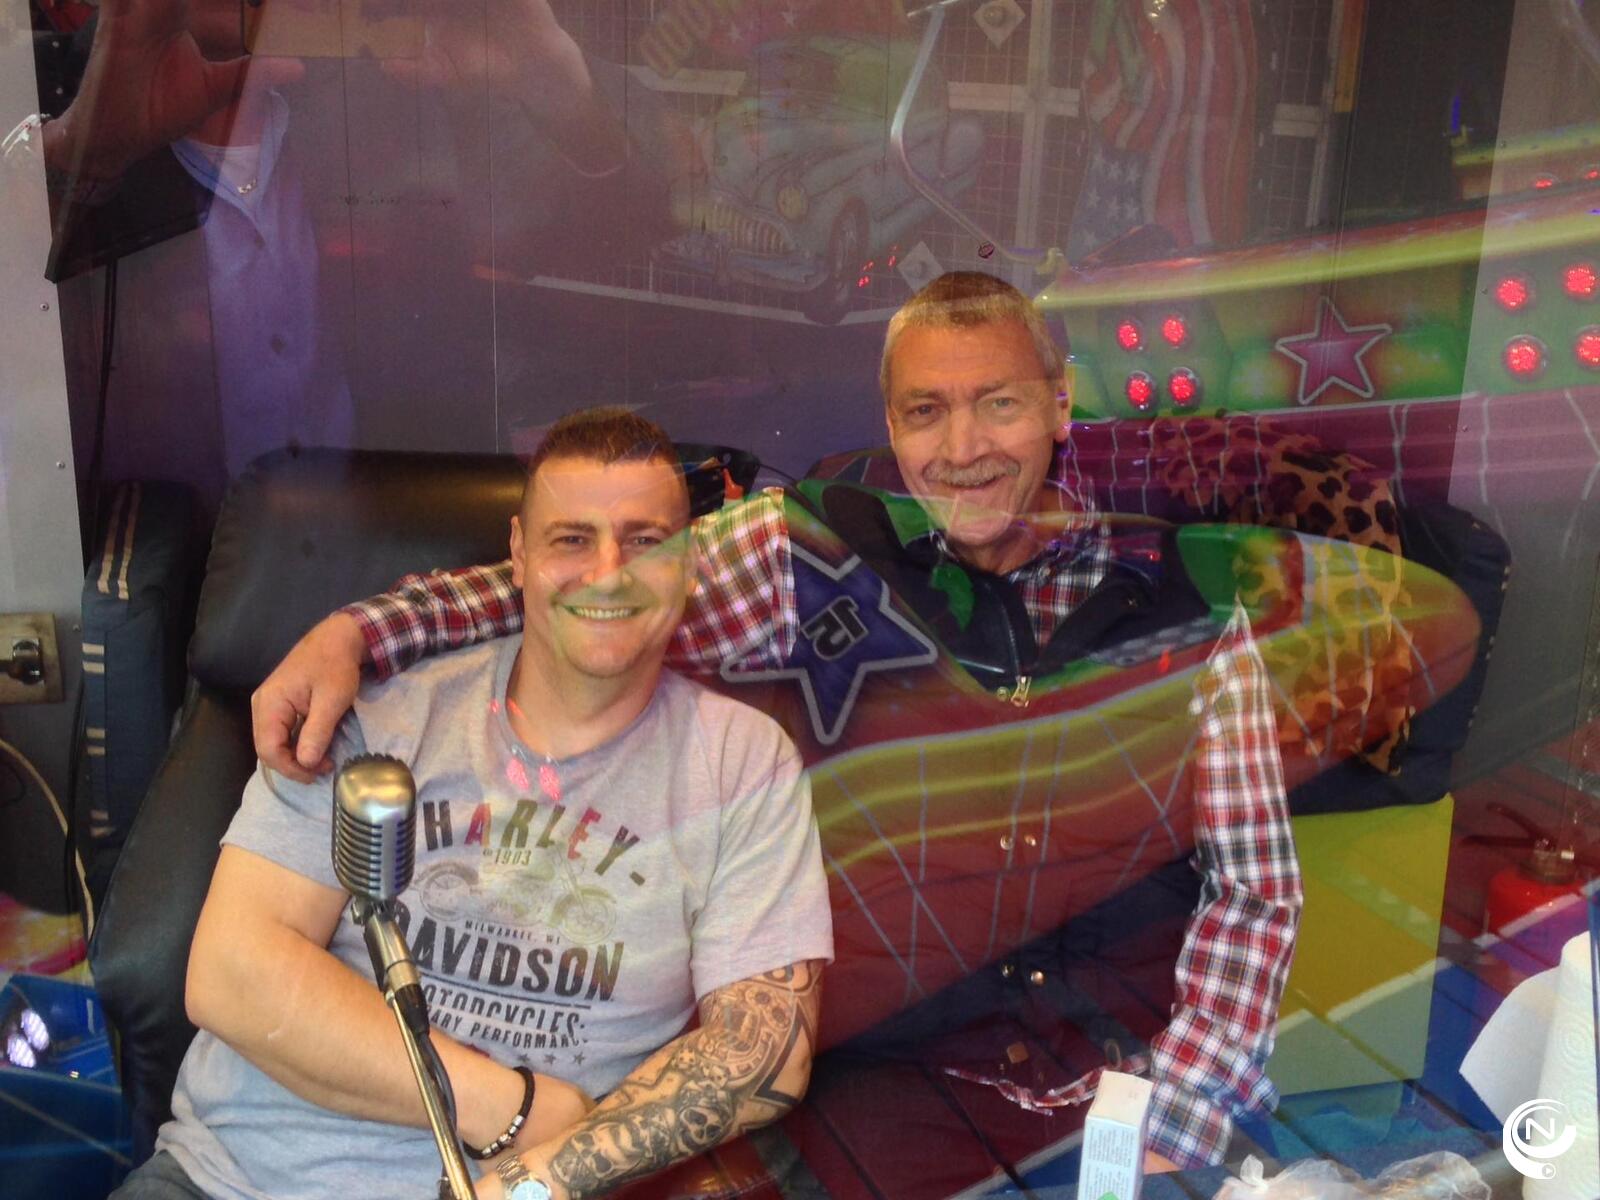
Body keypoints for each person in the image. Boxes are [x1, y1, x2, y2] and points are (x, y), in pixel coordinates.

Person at [253, 271, 1303, 1172]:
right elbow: (599, 590)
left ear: (1060, 403)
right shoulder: (812, 554)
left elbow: (1252, 894)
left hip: (1114, 1096)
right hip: (880, 1092)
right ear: (890, 421)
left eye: (999, 405)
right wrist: (361, 633)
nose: (963, 447)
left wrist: (1177, 1121)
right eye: (925, 412)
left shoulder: (1190, 610)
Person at [112, 408, 833, 1200]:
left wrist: (528, 1184)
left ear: (689, 560)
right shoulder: (381, 713)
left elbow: (761, 1053)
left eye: (645, 540)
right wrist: (506, 1106)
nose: (608, 572)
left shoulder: (741, 764)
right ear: (518, 555)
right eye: (572, 540)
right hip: (232, 1181)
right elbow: (229, 972)